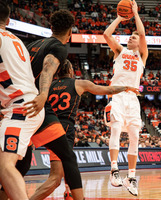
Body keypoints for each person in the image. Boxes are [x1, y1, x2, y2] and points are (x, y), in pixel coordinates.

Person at [34, 60, 139, 200]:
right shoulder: (78, 83)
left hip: (46, 125)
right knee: (55, 177)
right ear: (71, 71)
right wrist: (126, 87)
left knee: (67, 161)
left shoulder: (48, 86)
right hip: (62, 129)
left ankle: (69, 192)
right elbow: (109, 90)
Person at [17, 10, 84, 200]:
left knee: (21, 164)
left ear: (51, 27)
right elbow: (47, 69)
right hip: (36, 106)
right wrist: (43, 95)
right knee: (68, 156)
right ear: (70, 31)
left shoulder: (32, 45)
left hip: (18, 104)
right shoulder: (59, 47)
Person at [103, 0, 148, 196]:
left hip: (133, 99)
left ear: (139, 43)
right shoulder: (120, 51)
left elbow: (143, 34)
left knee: (135, 137)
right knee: (115, 130)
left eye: (133, 37)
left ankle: (131, 177)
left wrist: (136, 14)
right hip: (118, 95)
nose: (130, 39)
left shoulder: (142, 55)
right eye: (129, 37)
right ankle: (114, 171)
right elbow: (106, 34)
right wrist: (120, 18)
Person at [0, 2, 44, 199]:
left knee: (5, 166)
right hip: (23, 104)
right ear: (8, 20)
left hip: (21, 107)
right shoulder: (18, 41)